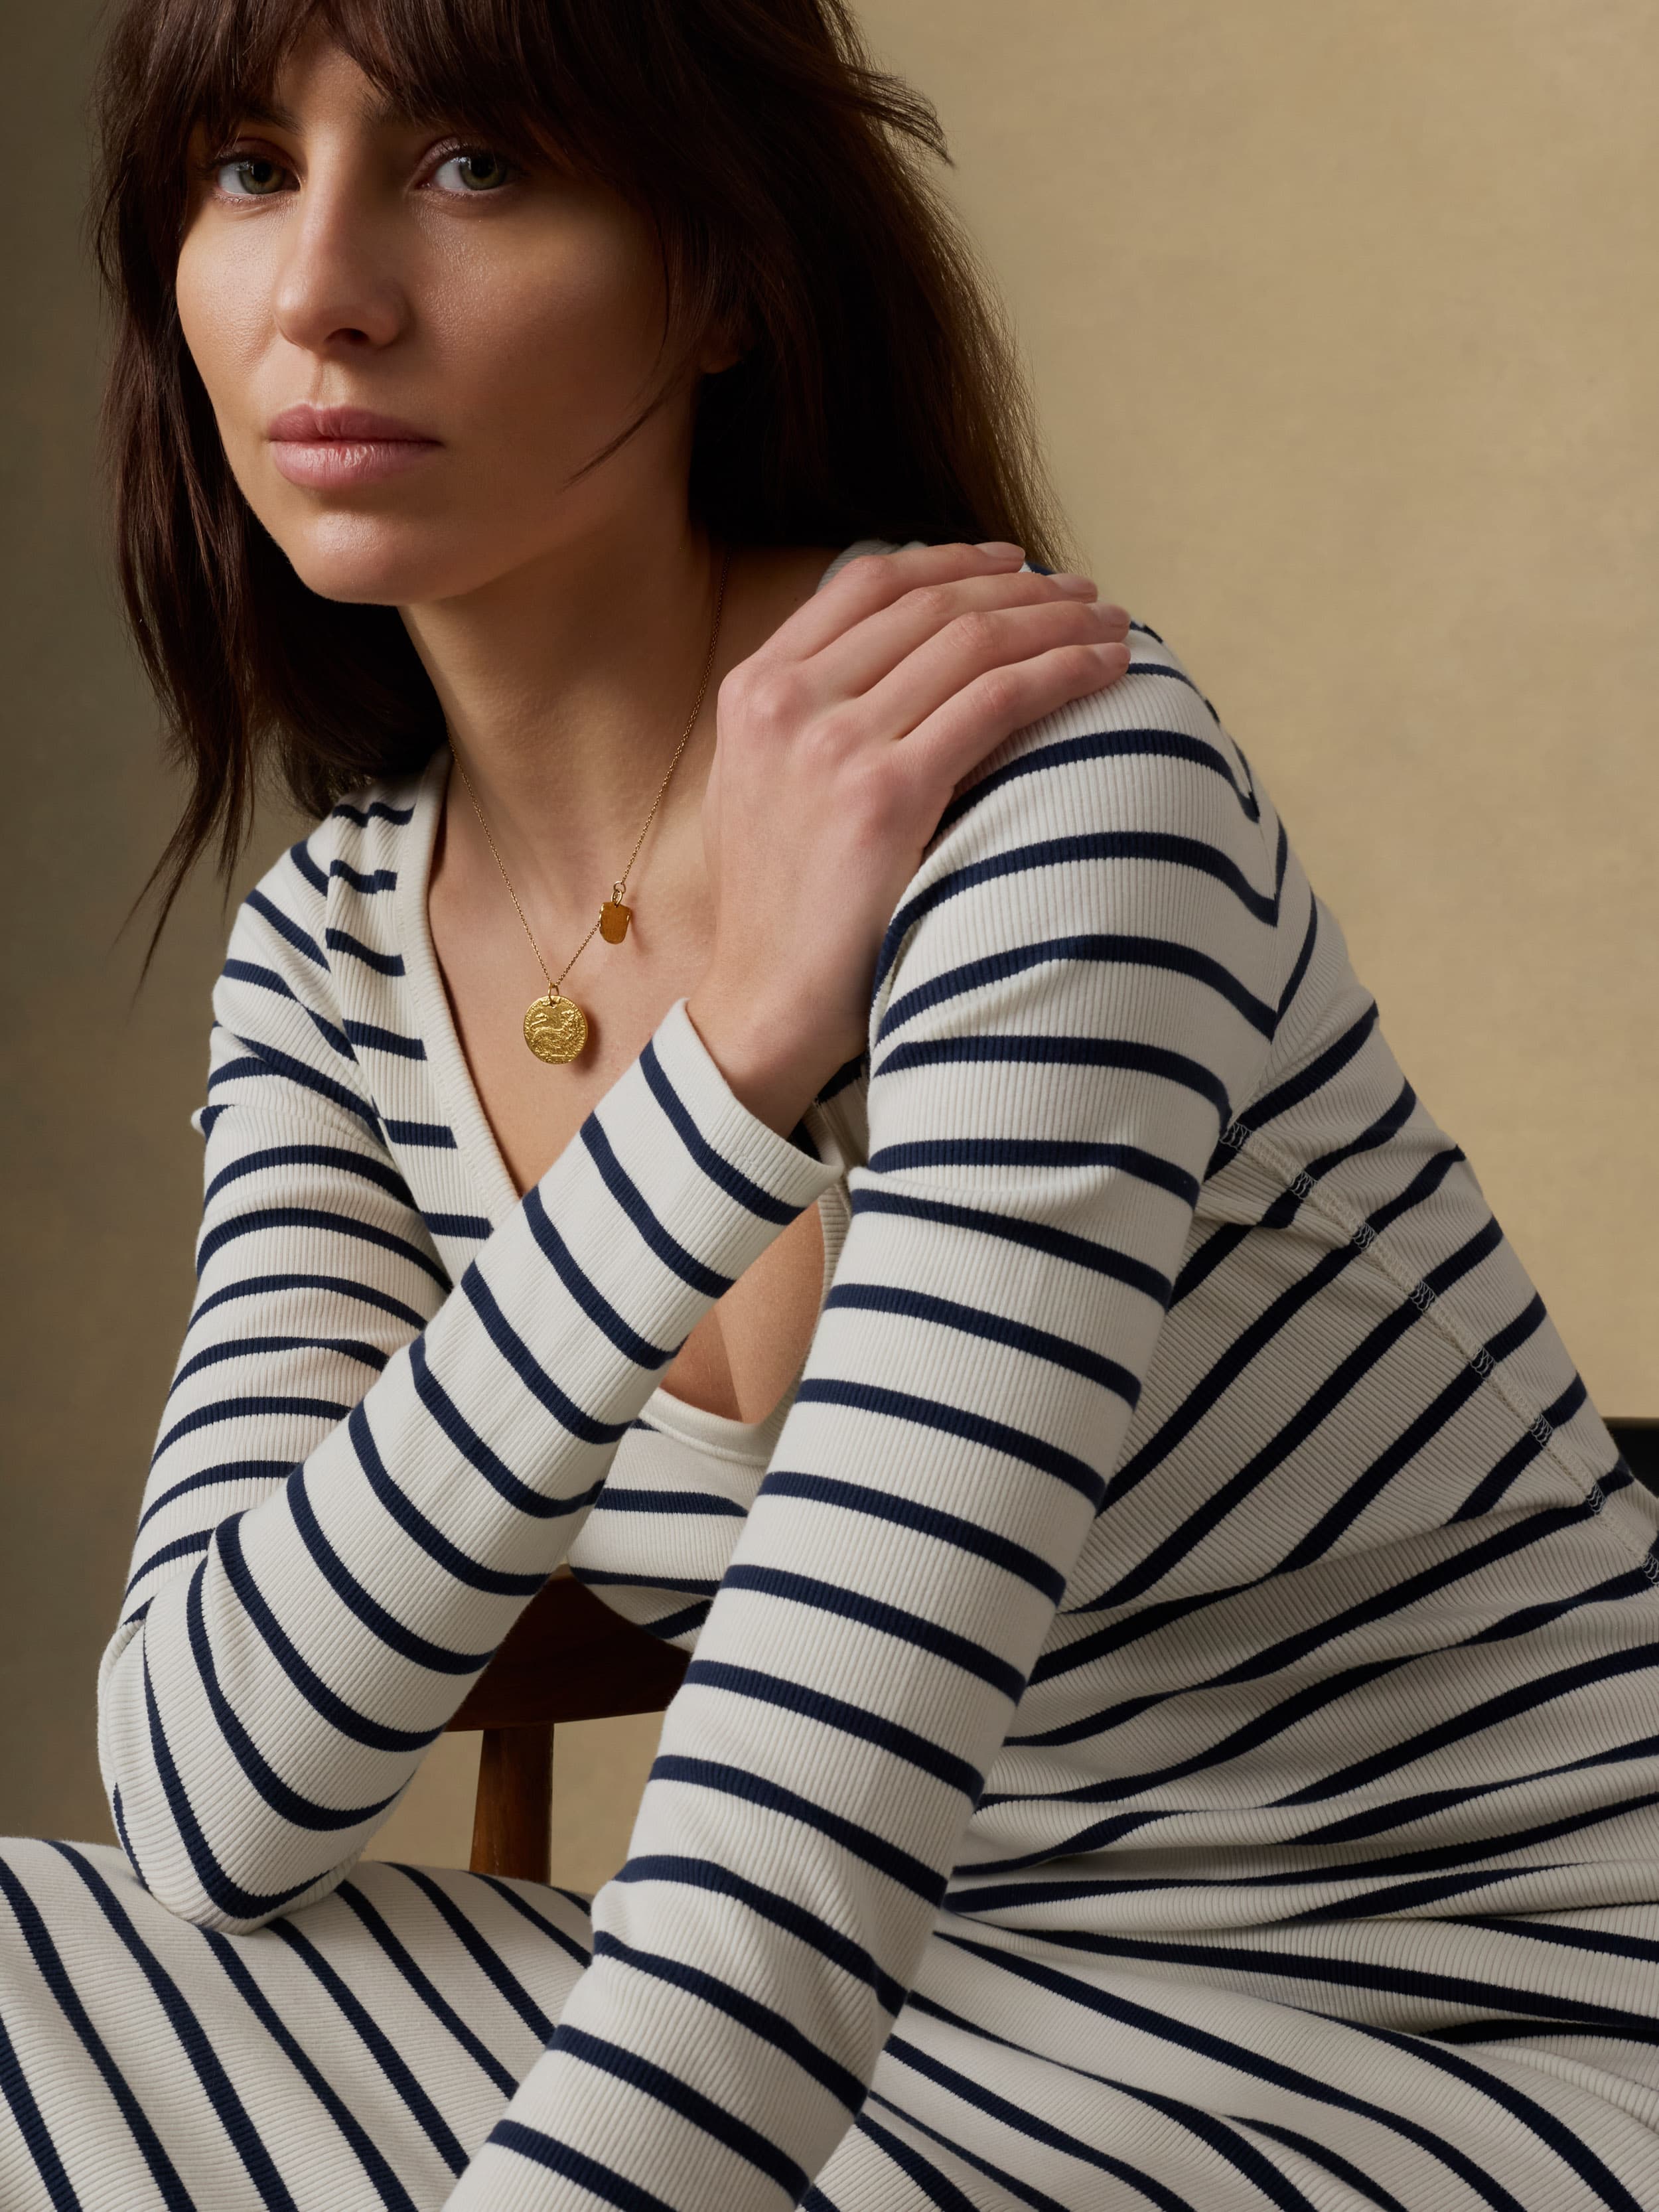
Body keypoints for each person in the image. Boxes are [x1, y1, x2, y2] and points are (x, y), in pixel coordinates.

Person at [3, 0, 1657, 2205]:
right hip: (952, 2030)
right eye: (243, 167)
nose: (322, 291)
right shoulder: (331, 950)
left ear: (714, 274)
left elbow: (787, 1866)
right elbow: (212, 1795)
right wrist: (720, 1089)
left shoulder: (1049, 786)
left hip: (1452, 2027)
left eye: (473, 162)